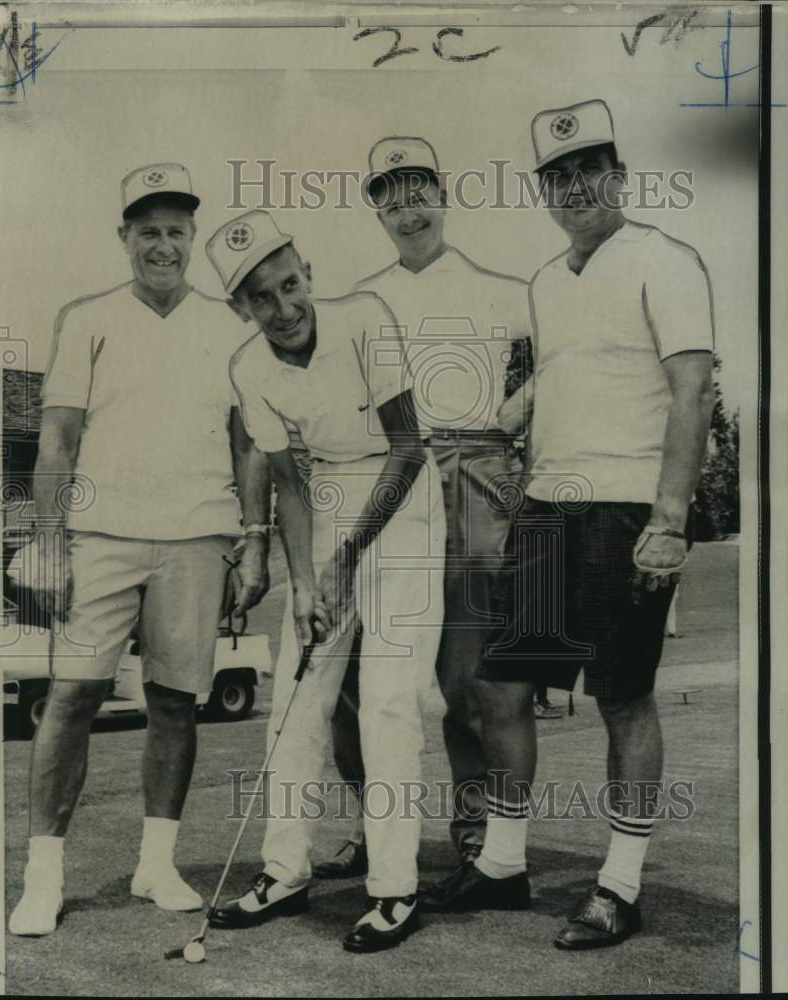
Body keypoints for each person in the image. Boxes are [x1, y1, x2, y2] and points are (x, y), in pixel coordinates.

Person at [421, 99, 715, 951]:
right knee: (500, 689)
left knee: (622, 696)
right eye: (557, 177)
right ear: (543, 193)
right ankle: (505, 866)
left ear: (619, 177)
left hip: (627, 509)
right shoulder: (549, 281)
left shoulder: (667, 258)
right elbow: (557, 377)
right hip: (546, 509)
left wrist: (670, 518)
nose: (575, 187)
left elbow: (691, 390)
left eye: (590, 170)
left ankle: (619, 888)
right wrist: (494, 421)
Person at [8, 164, 270, 937]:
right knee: (72, 699)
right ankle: (43, 875)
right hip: (102, 536)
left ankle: (157, 865)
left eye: (176, 232)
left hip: (197, 535)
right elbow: (55, 437)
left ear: (193, 238)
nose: (164, 245)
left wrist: (253, 544)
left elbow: (250, 444)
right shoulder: (86, 318)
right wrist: (48, 542)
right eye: (148, 231)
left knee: (175, 702)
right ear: (124, 238)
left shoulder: (232, 325)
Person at [203, 210, 446, 953]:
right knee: (298, 701)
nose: (283, 309)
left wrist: (346, 559)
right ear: (241, 309)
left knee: (388, 703)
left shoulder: (365, 317)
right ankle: (284, 872)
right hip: (328, 497)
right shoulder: (249, 368)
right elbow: (288, 484)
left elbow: (407, 448)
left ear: (305, 268)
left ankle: (396, 890)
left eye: (289, 284)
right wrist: (306, 582)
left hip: (405, 499)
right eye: (262, 300)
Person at [313, 137, 533, 880]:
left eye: (418, 192)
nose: (407, 210)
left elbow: (567, 358)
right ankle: (382, 829)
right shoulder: (358, 301)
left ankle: (476, 836)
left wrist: (509, 419)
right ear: (375, 208)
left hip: (475, 468)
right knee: (360, 674)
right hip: (390, 474)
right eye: (389, 196)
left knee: (468, 677)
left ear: (444, 195)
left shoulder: (503, 286)